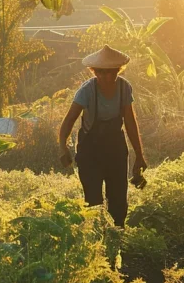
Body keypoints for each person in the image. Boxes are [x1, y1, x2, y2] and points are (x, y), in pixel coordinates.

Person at [58, 45, 147, 227]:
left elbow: (130, 122)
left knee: (118, 200)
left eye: (111, 73)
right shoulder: (86, 91)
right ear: (95, 72)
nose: (107, 77)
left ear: (118, 71)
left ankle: (117, 237)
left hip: (115, 148)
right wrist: (63, 147)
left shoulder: (124, 88)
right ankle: (96, 241)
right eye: (102, 73)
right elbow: (68, 122)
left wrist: (139, 155)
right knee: (93, 201)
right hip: (90, 151)